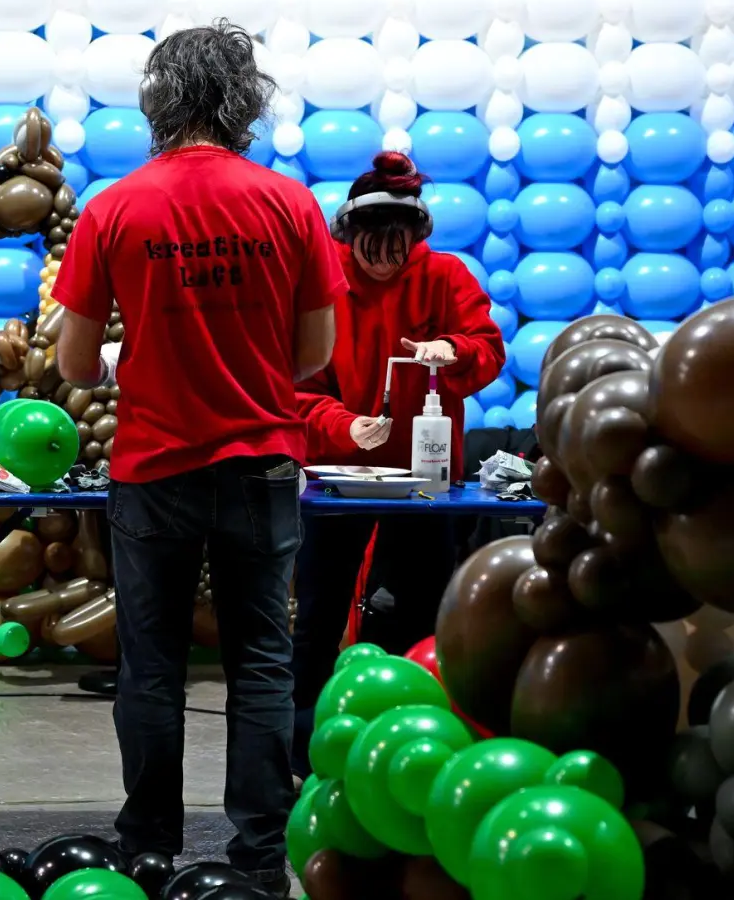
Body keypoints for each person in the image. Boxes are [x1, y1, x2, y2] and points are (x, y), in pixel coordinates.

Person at [51, 21, 347, 895]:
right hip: (261, 461)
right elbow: (313, 356)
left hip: (153, 466)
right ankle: (259, 859)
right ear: (244, 98)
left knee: (152, 664)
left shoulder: (114, 206)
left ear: (159, 98)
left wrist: (134, 354)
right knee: (261, 659)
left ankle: (147, 848)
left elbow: (71, 365)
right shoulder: (288, 204)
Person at [288, 151, 505, 777]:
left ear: (415, 239)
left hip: (427, 483)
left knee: (419, 609)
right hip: (336, 481)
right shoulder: (320, 283)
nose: (383, 259)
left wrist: (453, 349)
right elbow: (295, 386)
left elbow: (487, 348)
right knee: (318, 614)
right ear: (347, 236)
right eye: (370, 246)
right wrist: (343, 425)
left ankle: (413, 744)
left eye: (397, 247)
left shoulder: (445, 277)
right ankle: (302, 748)